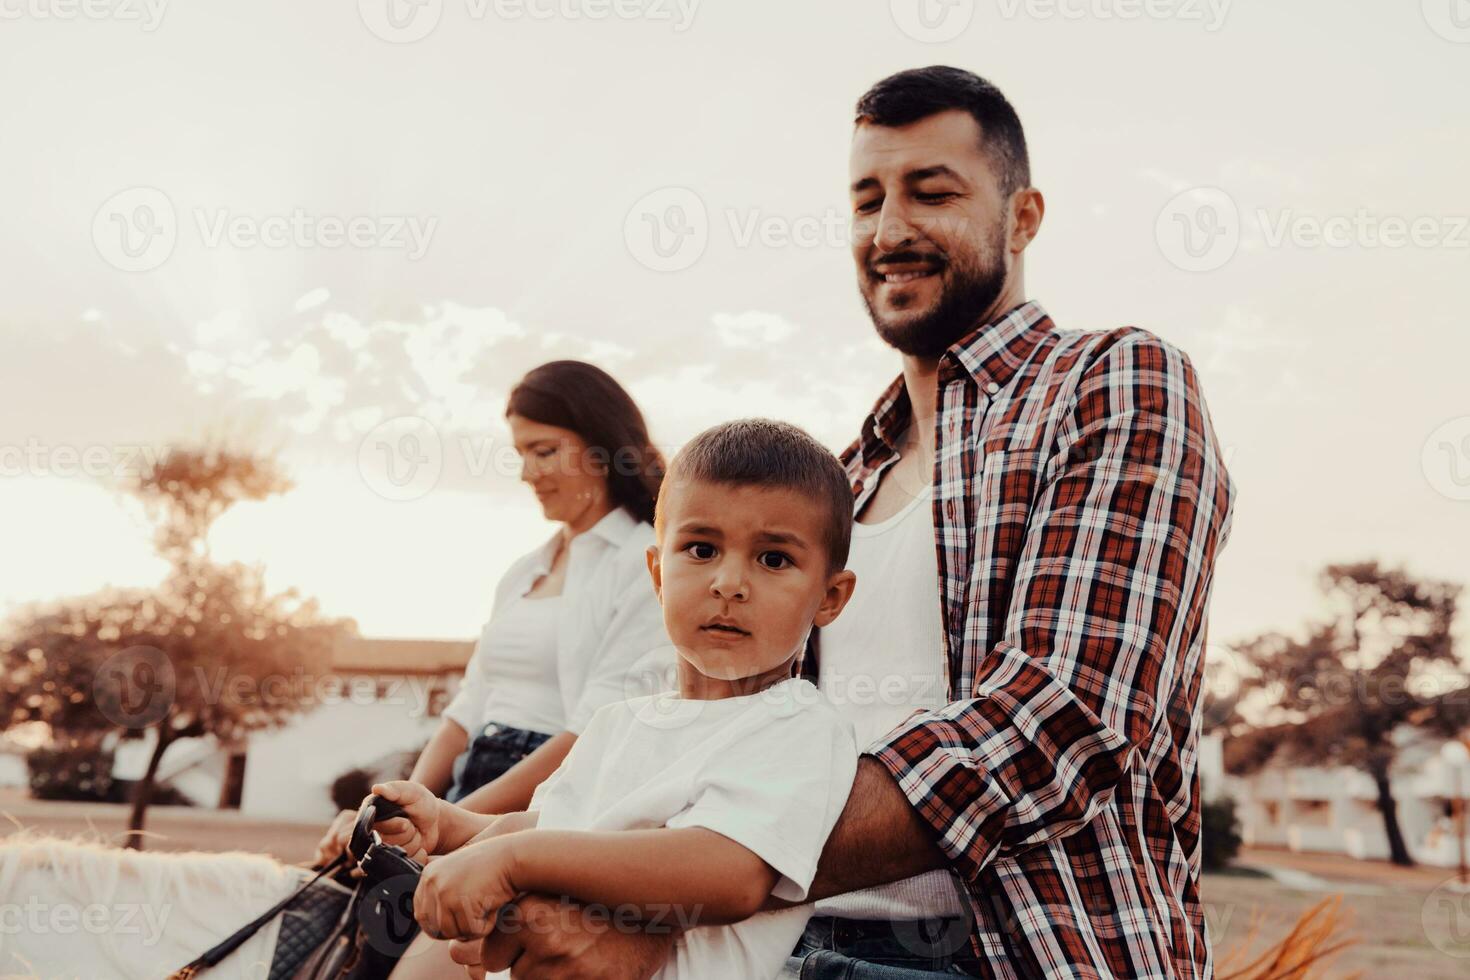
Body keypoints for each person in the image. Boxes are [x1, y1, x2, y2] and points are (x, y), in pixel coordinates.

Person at [462, 66, 1237, 980]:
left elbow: (1065, 716)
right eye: (866, 199)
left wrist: (693, 878)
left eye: (931, 192)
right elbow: (696, 724)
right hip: (783, 950)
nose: (891, 229)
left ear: (1023, 217)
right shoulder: (840, 479)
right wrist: (491, 829)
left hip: (1019, 950)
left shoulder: (1112, 382)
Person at [370, 419, 862, 979]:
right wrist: (450, 824)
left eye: (773, 559)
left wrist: (508, 860)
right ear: (657, 573)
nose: (729, 582)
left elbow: (728, 873)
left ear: (829, 596)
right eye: (701, 549)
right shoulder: (618, 723)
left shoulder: (798, 725)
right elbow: (555, 827)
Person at [309, 360, 673, 977]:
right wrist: (404, 806)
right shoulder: (524, 570)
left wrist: (452, 826)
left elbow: (593, 730)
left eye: (544, 450)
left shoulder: (644, 561)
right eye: (519, 454)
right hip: (465, 786)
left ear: (604, 447)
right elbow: (466, 710)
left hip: (541, 807)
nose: (528, 472)